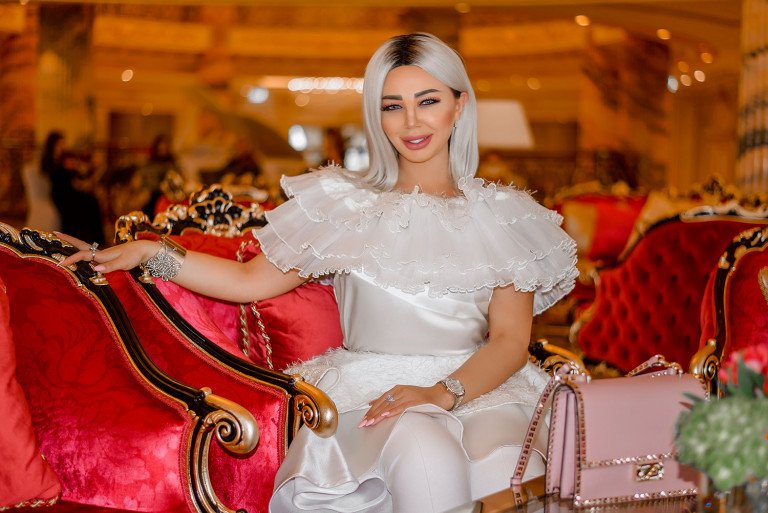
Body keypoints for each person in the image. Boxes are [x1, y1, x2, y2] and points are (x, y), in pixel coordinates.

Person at [59, 33, 577, 513]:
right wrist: (152, 251)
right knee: (429, 457)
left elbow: (510, 340)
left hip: (478, 388)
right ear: (377, 117)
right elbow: (250, 282)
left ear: (459, 105)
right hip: (374, 390)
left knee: (515, 470)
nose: (412, 123)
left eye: (429, 101)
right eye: (392, 106)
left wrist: (445, 393)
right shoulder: (344, 207)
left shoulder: (504, 215)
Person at [43, 131, 105, 245]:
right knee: (85, 203)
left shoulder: (65, 158)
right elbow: (54, 177)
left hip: (70, 192)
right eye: (60, 144)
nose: (62, 147)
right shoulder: (50, 161)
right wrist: (65, 168)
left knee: (92, 200)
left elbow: (76, 177)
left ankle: (95, 239)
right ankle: (81, 238)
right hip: (61, 194)